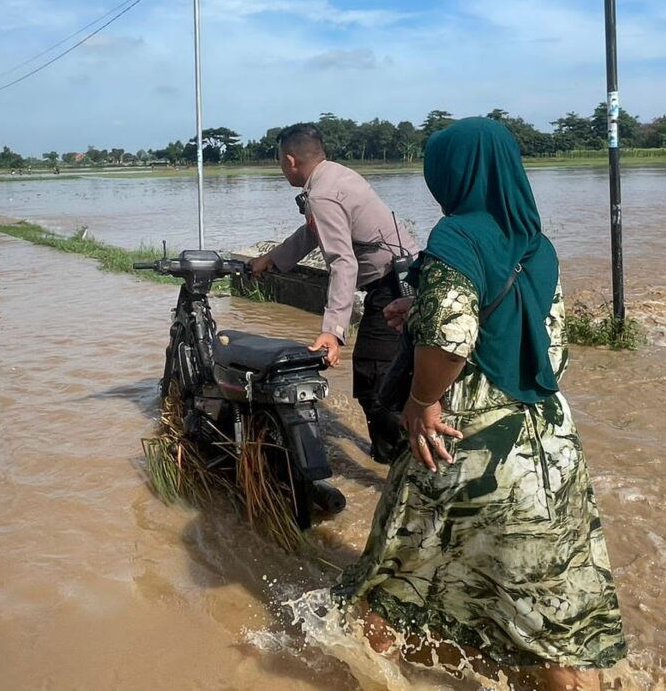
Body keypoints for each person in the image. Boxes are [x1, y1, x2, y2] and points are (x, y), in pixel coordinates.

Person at [333, 118, 625, 690]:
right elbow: (519, 326)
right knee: (545, 603)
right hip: (549, 444)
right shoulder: (535, 240)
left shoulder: (455, 236)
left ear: (454, 172)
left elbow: (451, 339)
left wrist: (420, 401)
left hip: (468, 440)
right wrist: (415, 306)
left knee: (391, 578)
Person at [249, 123, 416, 464]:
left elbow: (343, 262)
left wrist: (332, 331)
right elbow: (314, 231)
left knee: (374, 382)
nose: (281, 168)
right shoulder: (334, 176)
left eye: (280, 161)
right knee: (391, 376)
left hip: (390, 287)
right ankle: (390, 456)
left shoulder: (322, 194)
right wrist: (273, 259)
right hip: (403, 278)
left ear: (290, 160)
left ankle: (405, 462)